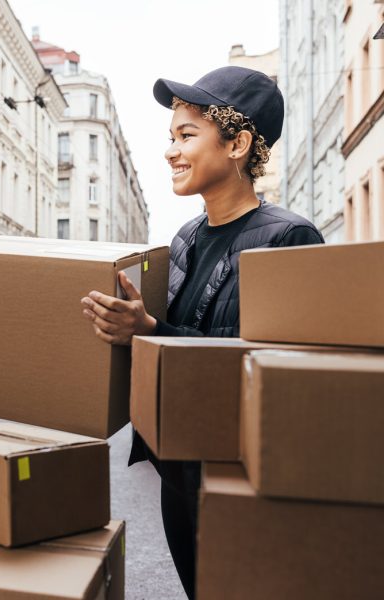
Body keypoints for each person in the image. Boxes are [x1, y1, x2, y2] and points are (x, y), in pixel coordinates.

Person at [80, 66, 324, 599]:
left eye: (187, 135)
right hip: (180, 471)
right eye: (172, 136)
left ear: (237, 143)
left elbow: (282, 367)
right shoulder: (186, 237)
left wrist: (151, 329)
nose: (171, 150)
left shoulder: (290, 236)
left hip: (242, 476)